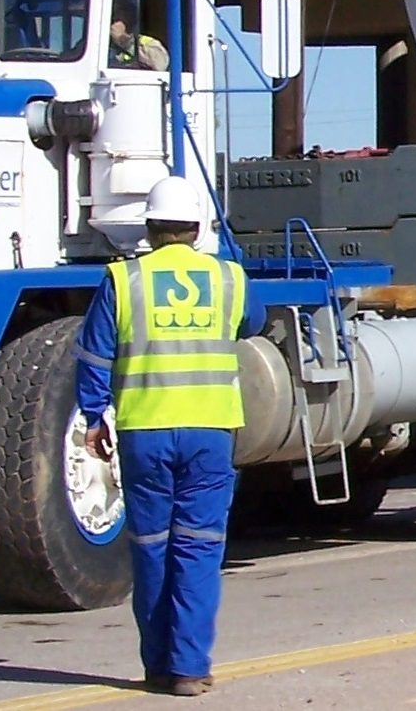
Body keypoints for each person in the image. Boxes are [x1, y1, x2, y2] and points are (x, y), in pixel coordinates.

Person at [74, 175, 265, 697]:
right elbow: (253, 322)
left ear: (150, 228)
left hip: (146, 431)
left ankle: (157, 666)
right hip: (208, 430)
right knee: (198, 549)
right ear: (198, 226)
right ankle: (188, 667)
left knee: (152, 548)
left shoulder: (122, 280)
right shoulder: (228, 278)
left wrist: (94, 418)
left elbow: (93, 355)